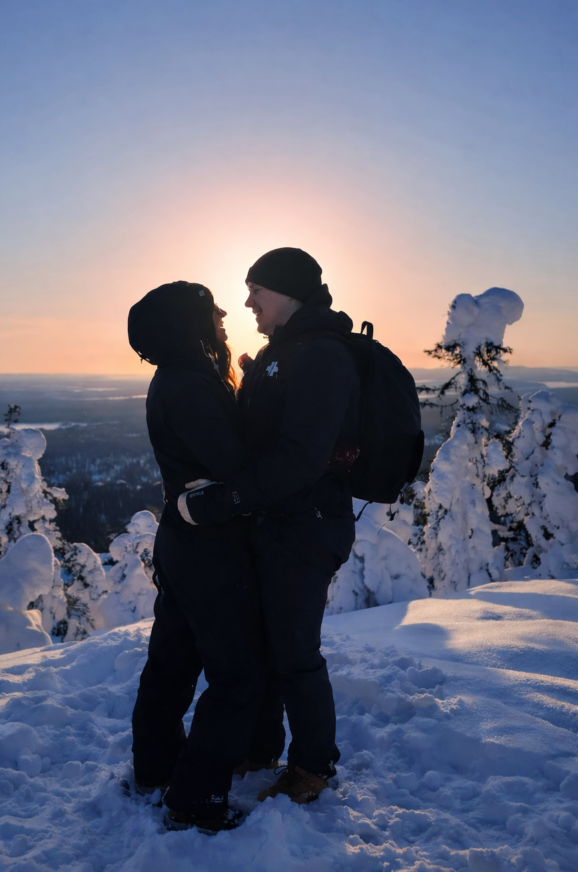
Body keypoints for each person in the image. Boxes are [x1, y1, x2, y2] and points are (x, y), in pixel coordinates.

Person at [179, 248, 360, 805]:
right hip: (277, 524)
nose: (248, 301)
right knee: (267, 644)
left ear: (288, 291)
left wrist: (226, 500)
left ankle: (312, 767)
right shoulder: (286, 352)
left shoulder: (321, 354)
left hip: (306, 527)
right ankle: (260, 749)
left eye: (257, 288)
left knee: (294, 652)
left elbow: (302, 458)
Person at [127, 281, 266, 834]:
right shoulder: (192, 385)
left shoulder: (178, 379)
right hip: (210, 547)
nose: (225, 314)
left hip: (183, 542)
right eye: (212, 309)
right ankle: (195, 796)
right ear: (189, 323)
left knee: (172, 664)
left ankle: (155, 769)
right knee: (239, 676)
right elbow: (237, 463)